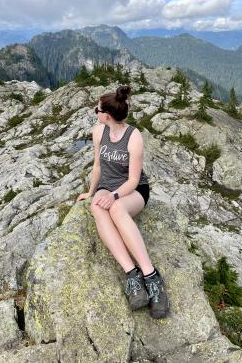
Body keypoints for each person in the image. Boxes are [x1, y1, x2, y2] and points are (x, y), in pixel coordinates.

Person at [77, 84, 169, 318]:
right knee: (97, 207)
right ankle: (132, 274)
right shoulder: (98, 132)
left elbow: (133, 179)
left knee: (116, 209)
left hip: (134, 190)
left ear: (106, 115)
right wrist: (92, 191)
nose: (95, 114)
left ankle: (151, 275)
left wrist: (114, 196)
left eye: (96, 110)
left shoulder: (133, 137)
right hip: (107, 185)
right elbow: (97, 166)